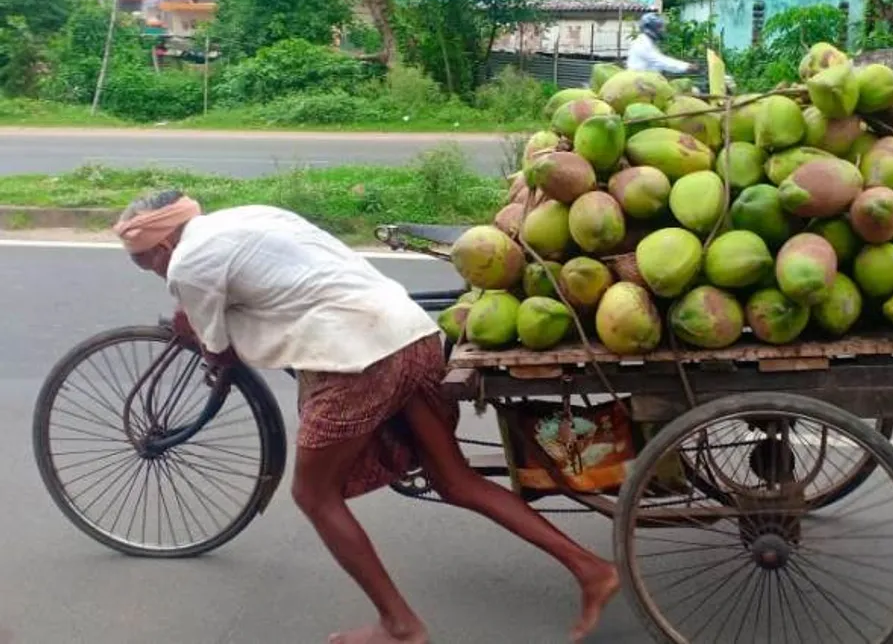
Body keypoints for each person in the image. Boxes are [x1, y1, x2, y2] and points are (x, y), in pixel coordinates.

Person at [112, 193, 619, 644]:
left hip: (360, 359)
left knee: (314, 495)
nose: (152, 272)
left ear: (161, 247)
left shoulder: (187, 264)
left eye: (142, 262)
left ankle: (400, 626)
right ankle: (591, 569)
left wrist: (197, 334)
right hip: (410, 333)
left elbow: (219, 351)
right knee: (455, 480)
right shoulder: (247, 217)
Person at [626, 13, 699, 75]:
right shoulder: (642, 43)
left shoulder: (648, 41)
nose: (662, 30)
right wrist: (686, 67)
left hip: (646, 80)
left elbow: (660, 60)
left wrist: (686, 66)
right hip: (638, 82)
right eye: (659, 27)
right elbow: (660, 61)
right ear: (650, 28)